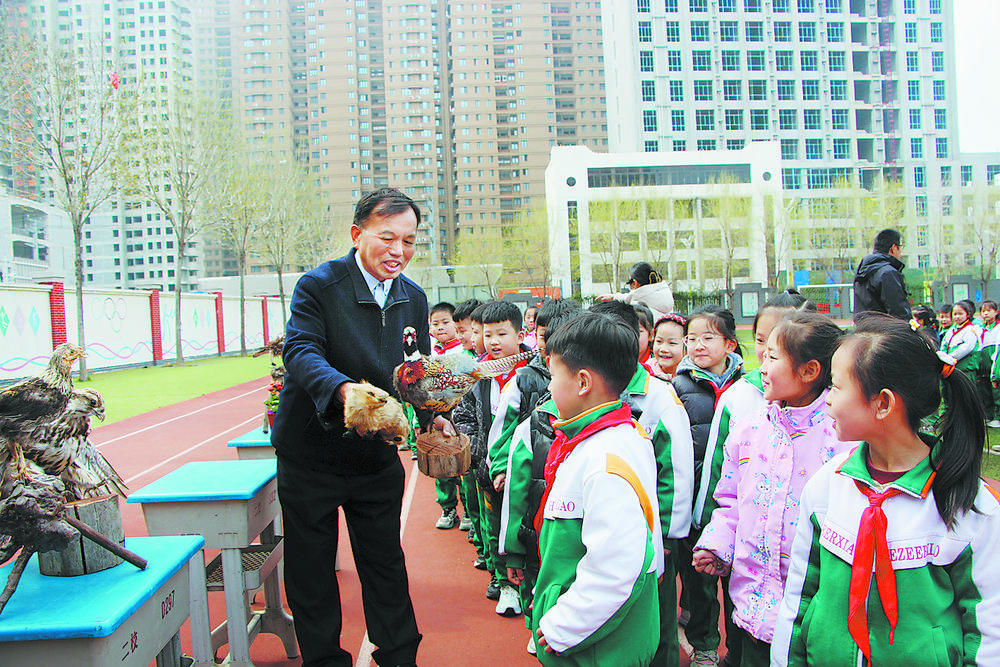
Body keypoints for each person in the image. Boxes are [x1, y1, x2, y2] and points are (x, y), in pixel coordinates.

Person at [772, 313, 1000, 666]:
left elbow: (987, 631)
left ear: (883, 403)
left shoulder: (968, 505)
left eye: (836, 386)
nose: (827, 399)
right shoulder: (827, 487)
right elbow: (798, 602)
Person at [272, 187, 426, 667]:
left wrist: (436, 417)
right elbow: (299, 351)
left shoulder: (413, 299)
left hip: (375, 454)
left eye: (409, 240)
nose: (398, 251)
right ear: (357, 234)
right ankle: (323, 660)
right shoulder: (319, 286)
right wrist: (344, 392)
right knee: (311, 568)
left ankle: (399, 656)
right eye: (387, 238)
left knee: (385, 563)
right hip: (310, 454)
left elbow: (414, 372)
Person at [693, 312, 854, 666]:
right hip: (750, 605)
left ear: (809, 371)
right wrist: (718, 544)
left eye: (772, 358)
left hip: (813, 611)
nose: (761, 367)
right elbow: (731, 501)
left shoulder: (841, 438)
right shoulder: (749, 430)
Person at [531, 312, 664, 666]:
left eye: (554, 374)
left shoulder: (605, 459)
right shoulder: (610, 436)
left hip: (594, 646)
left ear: (583, 382)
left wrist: (564, 626)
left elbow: (618, 567)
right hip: (594, 639)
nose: (548, 387)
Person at [671, 305, 744, 667]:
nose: (698, 344)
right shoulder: (679, 386)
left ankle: (739, 646)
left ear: (730, 344)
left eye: (708, 337)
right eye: (692, 338)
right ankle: (704, 646)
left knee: (738, 583)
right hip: (697, 499)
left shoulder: (748, 388)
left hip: (737, 500)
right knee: (699, 581)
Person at [454, 300, 532, 617]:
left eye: (502, 333)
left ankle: (528, 588)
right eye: (488, 334)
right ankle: (505, 586)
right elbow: (463, 417)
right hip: (488, 471)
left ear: (520, 334)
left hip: (525, 471)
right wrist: (480, 455)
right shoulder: (478, 374)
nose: (494, 342)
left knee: (525, 529)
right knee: (495, 528)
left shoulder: (533, 373)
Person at [852, 228, 911, 321]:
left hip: (864, 329)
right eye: (901, 246)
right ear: (894, 248)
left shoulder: (863, 270)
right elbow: (898, 313)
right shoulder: (888, 273)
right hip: (884, 331)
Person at [598, 261, 675, 319]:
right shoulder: (664, 295)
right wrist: (615, 296)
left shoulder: (637, 308)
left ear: (635, 283)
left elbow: (631, 297)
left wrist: (614, 297)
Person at [940, 299, 979, 383]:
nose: (957, 317)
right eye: (955, 314)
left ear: (968, 315)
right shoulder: (951, 330)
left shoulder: (971, 330)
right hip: (950, 369)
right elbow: (944, 344)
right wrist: (943, 357)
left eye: (960, 314)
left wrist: (950, 357)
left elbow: (967, 347)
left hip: (965, 370)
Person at [978, 301, 1000, 428]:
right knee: (984, 392)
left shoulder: (998, 328)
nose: (986, 314)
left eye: (989, 310)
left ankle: (997, 416)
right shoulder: (980, 328)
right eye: (983, 311)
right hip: (983, 365)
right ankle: (988, 415)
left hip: (993, 364)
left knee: (996, 392)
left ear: (996, 312)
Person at [650, 313, 687, 381]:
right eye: (659, 341)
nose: (663, 349)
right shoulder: (646, 375)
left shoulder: (695, 378)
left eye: (672, 343)